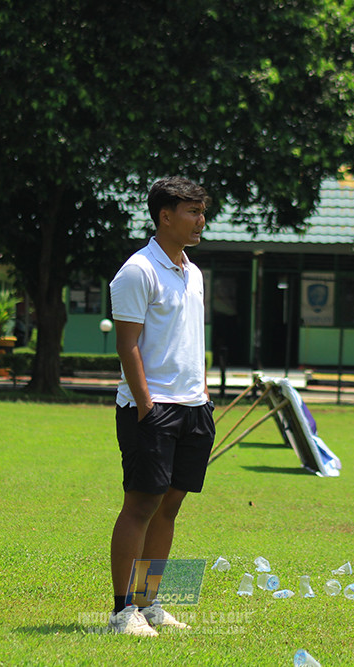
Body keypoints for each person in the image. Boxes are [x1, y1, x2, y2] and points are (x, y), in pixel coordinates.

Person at [106, 177, 216, 636]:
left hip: (194, 406)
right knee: (141, 505)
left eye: (202, 211)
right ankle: (121, 612)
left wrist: (203, 395)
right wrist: (147, 405)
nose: (200, 220)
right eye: (192, 212)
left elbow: (187, 341)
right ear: (164, 216)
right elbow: (127, 346)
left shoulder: (194, 272)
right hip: (151, 408)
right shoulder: (137, 271)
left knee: (170, 507)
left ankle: (149, 604)